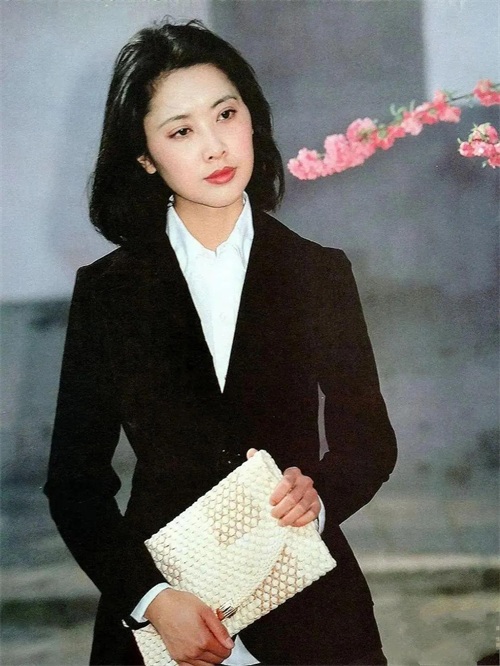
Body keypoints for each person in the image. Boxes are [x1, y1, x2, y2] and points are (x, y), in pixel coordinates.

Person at [44, 18, 397, 666]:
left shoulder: (318, 272)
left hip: (311, 609)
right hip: (167, 614)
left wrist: (318, 496)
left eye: (226, 114)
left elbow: (369, 442)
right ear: (145, 157)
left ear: (252, 118)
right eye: (181, 130)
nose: (214, 146)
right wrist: (151, 599)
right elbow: (74, 485)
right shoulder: (107, 292)